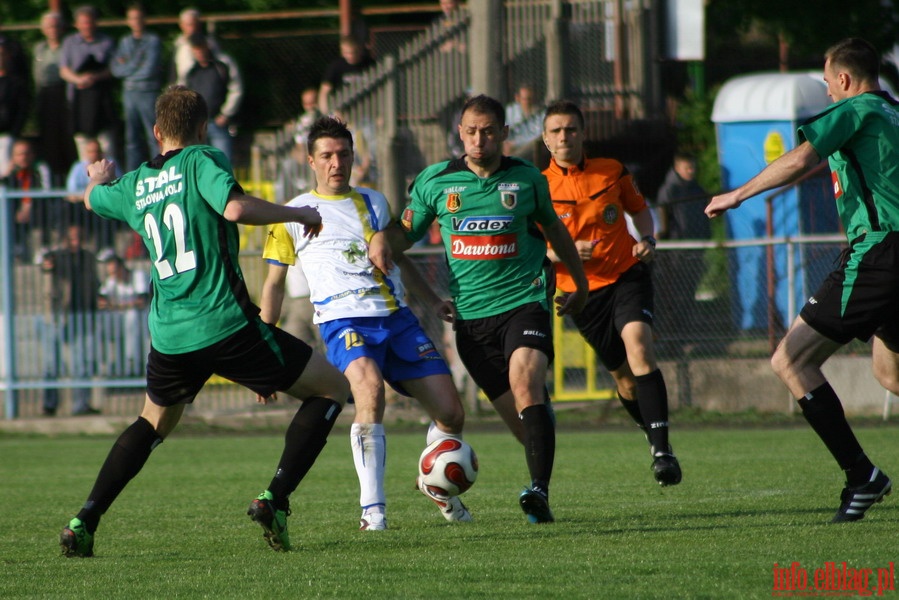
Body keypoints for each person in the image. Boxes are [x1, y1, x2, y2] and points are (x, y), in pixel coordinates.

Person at [59, 85, 350, 558]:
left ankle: (84, 520)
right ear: (202, 128)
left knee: (152, 422)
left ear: (156, 132)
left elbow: (92, 199)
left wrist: (98, 175)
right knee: (331, 388)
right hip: (224, 324)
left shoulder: (134, 183)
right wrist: (298, 212)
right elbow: (234, 207)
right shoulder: (201, 160)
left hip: (171, 336)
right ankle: (275, 498)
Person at [369, 95, 589, 524]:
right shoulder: (436, 182)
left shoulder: (527, 179)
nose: (479, 139)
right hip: (471, 320)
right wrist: (380, 239)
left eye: (488, 131)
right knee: (525, 426)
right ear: (460, 133)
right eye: (471, 131)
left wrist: (578, 285)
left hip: (525, 302)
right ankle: (539, 450)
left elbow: (557, 234)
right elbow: (403, 234)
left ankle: (538, 492)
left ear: (504, 134)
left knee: (525, 384)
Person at [705, 38, 895, 523]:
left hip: (879, 253)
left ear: (846, 81)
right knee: (890, 372)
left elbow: (800, 159)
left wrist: (738, 194)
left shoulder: (857, 109)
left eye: (830, 84)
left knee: (790, 358)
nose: (829, 93)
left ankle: (861, 475)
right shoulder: (894, 112)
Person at [260, 116, 470, 530]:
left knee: (452, 413)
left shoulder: (374, 202)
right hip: (342, 319)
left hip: (396, 318)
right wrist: (264, 353)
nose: (337, 163)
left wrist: (432, 299)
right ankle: (373, 512)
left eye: (343, 154)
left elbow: (398, 255)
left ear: (354, 156)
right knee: (369, 389)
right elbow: (273, 284)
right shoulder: (292, 213)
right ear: (311, 161)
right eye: (327, 156)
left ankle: (436, 482)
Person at [541, 100, 683, 487]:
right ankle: (650, 432)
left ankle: (662, 451)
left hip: (626, 276)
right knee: (624, 381)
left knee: (639, 345)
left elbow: (640, 211)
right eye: (556, 131)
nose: (564, 136)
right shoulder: (539, 186)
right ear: (545, 139)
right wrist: (562, 254)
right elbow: (531, 247)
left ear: (583, 134)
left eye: (571, 129)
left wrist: (648, 239)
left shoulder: (612, 171)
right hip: (582, 295)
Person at [40, 223, 102, 417]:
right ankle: (49, 405)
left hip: (82, 314)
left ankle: (81, 404)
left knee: (82, 362)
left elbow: (94, 283)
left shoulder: (88, 257)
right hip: (57, 315)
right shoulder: (57, 256)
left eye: (79, 238)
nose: (75, 242)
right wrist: (48, 268)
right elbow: (47, 281)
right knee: (52, 363)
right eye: (72, 237)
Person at [654, 152, 711, 343]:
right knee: (676, 294)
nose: (691, 171)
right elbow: (663, 222)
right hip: (676, 252)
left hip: (696, 248)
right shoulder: (669, 190)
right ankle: (675, 336)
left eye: (693, 167)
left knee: (689, 292)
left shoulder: (697, 189)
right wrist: (664, 238)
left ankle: (685, 332)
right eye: (688, 168)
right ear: (677, 167)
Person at [58, 5, 118, 164]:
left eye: (90, 22)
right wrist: (79, 80)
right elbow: (63, 70)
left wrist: (95, 77)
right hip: (78, 102)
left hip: (102, 101)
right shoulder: (69, 43)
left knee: (107, 145)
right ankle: (85, 183)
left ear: (95, 23)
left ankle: (111, 182)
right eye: (83, 23)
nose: (87, 26)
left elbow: (115, 69)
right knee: (83, 146)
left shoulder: (107, 42)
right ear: (77, 24)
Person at [111, 4, 163, 171]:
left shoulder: (153, 40)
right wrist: (136, 62)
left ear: (144, 20)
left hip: (148, 92)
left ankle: (158, 169)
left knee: (153, 135)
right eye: (132, 18)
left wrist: (128, 64)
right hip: (129, 94)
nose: (136, 21)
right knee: (131, 138)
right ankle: (133, 174)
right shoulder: (124, 41)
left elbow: (149, 69)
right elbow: (116, 70)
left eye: (139, 18)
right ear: (128, 21)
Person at [32, 11, 77, 181]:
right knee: (49, 141)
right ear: (43, 29)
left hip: (64, 95)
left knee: (67, 139)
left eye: (56, 26)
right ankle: (52, 179)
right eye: (49, 26)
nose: (53, 29)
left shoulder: (69, 46)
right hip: (44, 95)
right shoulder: (39, 48)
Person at [185, 33, 242, 162]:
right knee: (199, 165)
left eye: (201, 48)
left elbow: (235, 90)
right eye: (196, 49)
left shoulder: (222, 65)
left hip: (218, 123)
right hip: (197, 126)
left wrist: (226, 114)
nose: (199, 52)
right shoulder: (191, 71)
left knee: (223, 165)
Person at [97, 252, 149, 377]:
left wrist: (117, 305)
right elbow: (101, 302)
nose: (113, 274)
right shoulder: (111, 281)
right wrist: (122, 305)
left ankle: (133, 361)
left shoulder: (138, 276)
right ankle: (115, 363)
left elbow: (142, 301)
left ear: (121, 267)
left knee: (132, 317)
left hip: (145, 317)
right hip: (122, 319)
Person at [5, 139, 56, 261]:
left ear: (32, 155)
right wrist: (7, 173)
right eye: (19, 154)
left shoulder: (40, 168)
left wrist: (28, 205)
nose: (23, 157)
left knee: (45, 208)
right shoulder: (12, 173)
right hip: (17, 211)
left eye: (26, 153)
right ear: (13, 157)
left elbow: (46, 191)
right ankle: (16, 247)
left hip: (37, 208)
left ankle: (44, 247)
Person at [317, 36, 375, 114]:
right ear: (342, 51)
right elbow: (325, 90)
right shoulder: (336, 66)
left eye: (353, 52)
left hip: (366, 108)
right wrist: (326, 112)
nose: (350, 56)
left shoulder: (370, 64)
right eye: (347, 53)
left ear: (359, 50)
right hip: (342, 110)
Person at [0, 44, 30, 178]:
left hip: (7, 136)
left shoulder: (17, 83)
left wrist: (14, 132)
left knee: (5, 174)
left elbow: (22, 110)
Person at [170, 7, 218, 86]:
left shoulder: (210, 44)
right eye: (189, 25)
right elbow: (173, 72)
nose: (192, 28)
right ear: (181, 25)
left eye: (194, 24)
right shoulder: (178, 45)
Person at [504, 83, 544, 156]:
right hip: (510, 147)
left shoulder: (541, 114)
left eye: (530, 99)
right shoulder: (510, 111)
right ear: (517, 98)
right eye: (525, 99)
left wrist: (515, 144)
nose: (528, 102)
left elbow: (537, 136)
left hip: (529, 148)